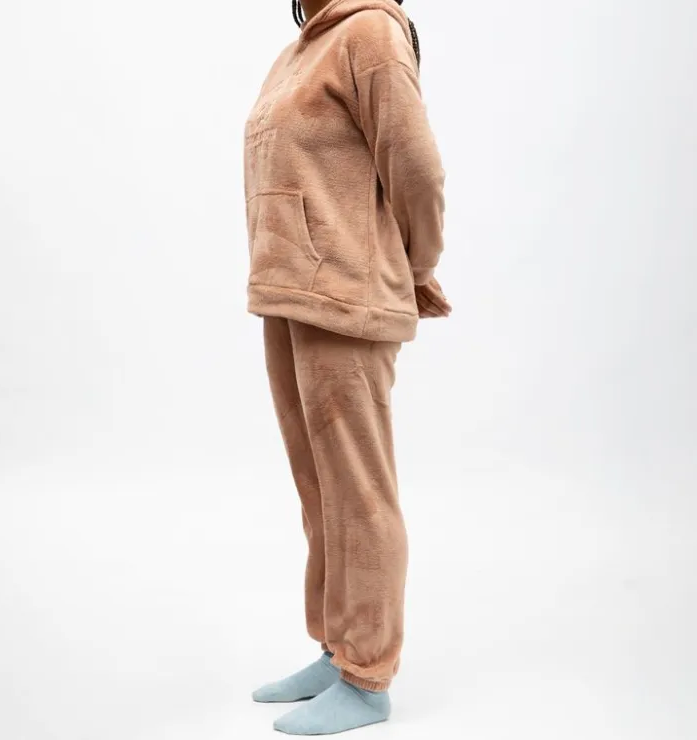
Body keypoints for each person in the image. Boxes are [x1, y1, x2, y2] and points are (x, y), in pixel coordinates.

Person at [243, 0, 450, 734]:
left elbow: (417, 169)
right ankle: (338, 649)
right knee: (320, 490)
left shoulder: (371, 32)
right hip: (289, 292)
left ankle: (367, 677)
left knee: (359, 493)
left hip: (348, 294)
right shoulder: (301, 49)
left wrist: (414, 268)